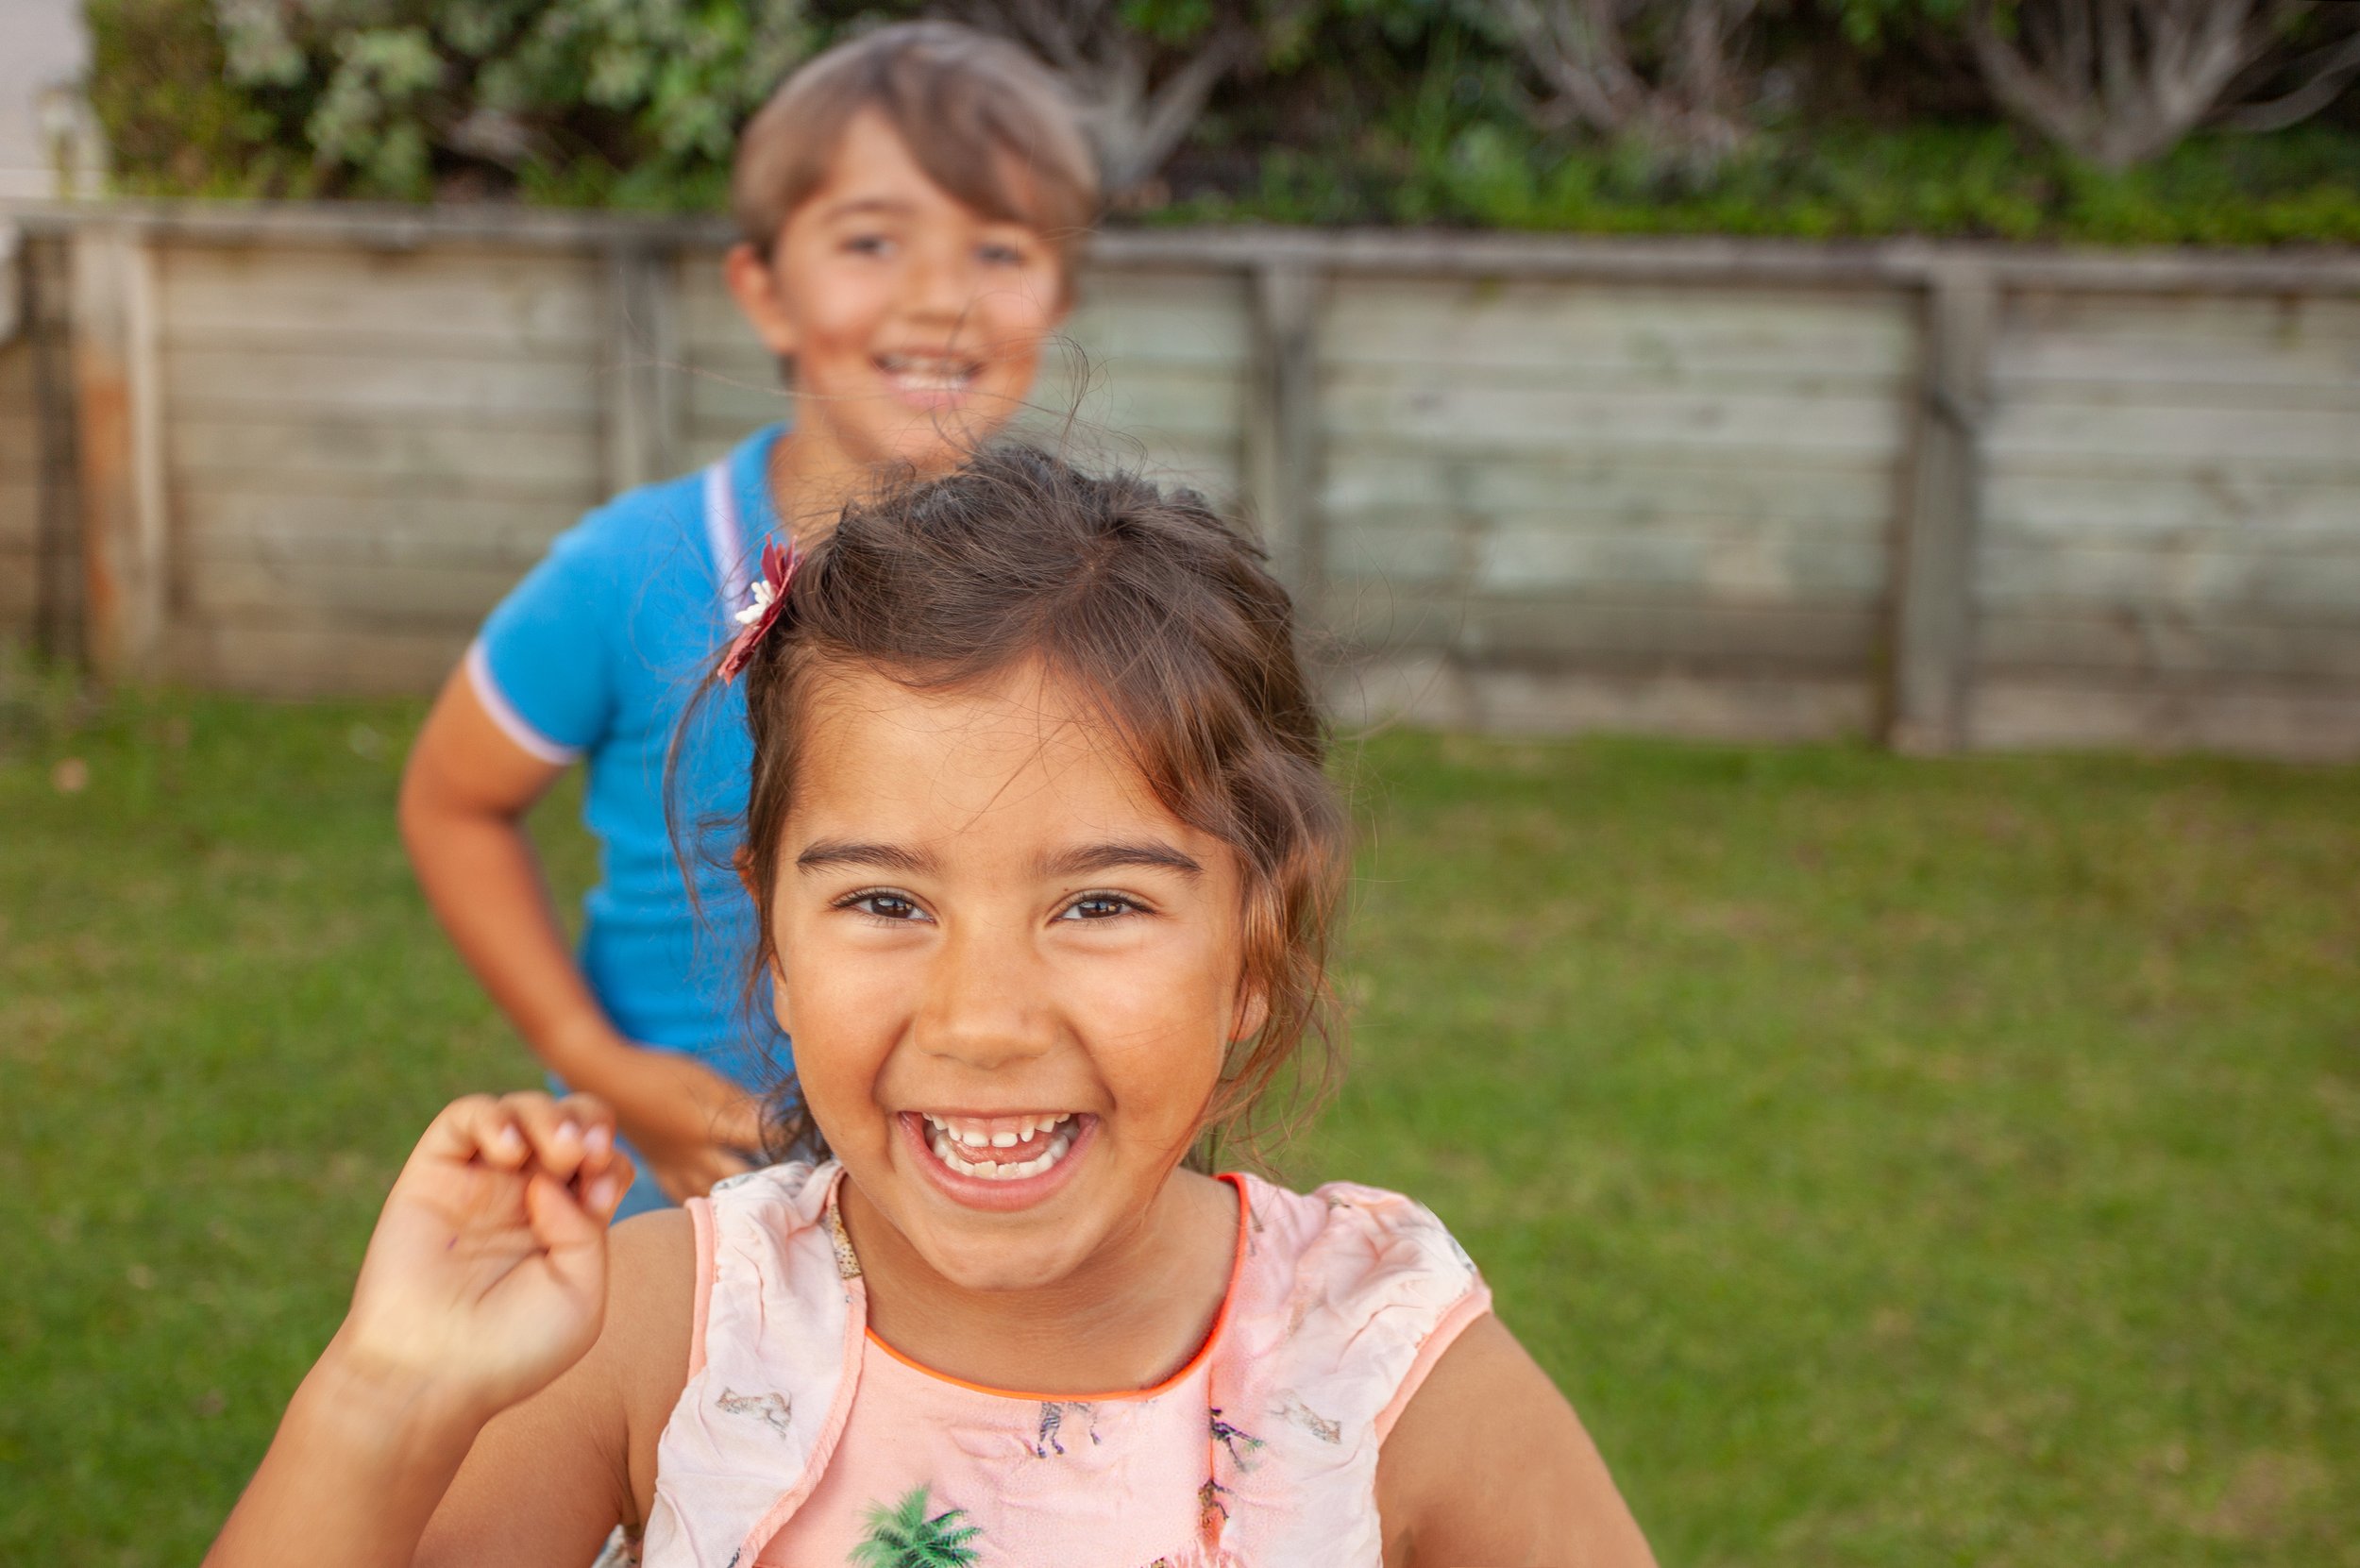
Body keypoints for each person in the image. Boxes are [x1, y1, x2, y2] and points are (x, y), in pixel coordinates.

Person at [209, 448, 1658, 1568]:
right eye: (888, 904)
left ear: (1257, 952)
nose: (982, 1019)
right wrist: (387, 1395)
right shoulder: (666, 1331)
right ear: (772, 933)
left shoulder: (1388, 1359)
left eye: (1099, 904)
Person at [397, 23, 1097, 1218]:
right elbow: (452, 799)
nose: (941, 298)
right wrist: (606, 1067)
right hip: (675, 1204)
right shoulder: (629, 571)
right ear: (763, 287)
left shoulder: (1091, 585)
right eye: (872, 240)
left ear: (1060, 294)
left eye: (998, 246)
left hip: (972, 1199)